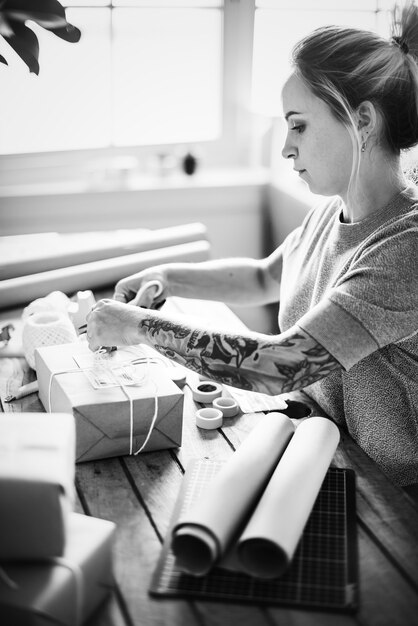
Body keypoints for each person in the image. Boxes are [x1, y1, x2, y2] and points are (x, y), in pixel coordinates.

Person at [87, 4, 418, 489]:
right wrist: (168, 276)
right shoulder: (333, 211)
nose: (286, 147)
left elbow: (280, 366)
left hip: (395, 499)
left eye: (299, 125)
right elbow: (265, 276)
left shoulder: (405, 246)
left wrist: (138, 325)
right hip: (326, 454)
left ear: (362, 121)